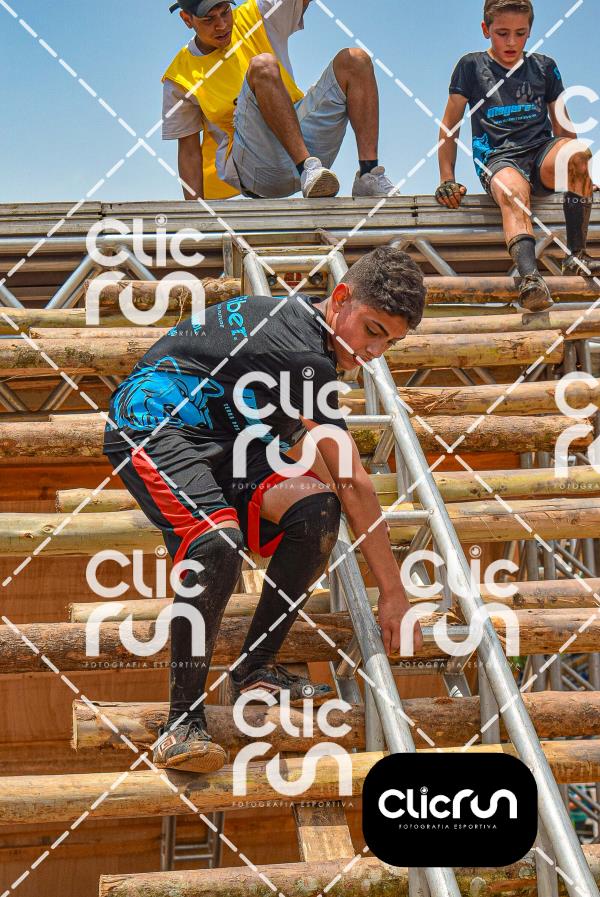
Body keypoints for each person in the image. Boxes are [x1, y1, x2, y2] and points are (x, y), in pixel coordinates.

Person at [102, 247, 426, 773]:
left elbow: (317, 465)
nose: (375, 351)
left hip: (229, 445)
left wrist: (318, 504)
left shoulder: (307, 340)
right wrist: (393, 593)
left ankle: (254, 668)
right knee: (217, 542)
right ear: (340, 297)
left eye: (390, 342)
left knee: (316, 512)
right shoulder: (304, 354)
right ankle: (180, 725)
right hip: (153, 423)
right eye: (372, 331)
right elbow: (353, 480)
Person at [435, 0, 599, 312]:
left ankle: (576, 257)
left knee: (579, 153)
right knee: (514, 191)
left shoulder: (545, 67)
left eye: (520, 33)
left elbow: (564, 128)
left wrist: (580, 176)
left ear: (530, 31)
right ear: (486, 30)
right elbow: (449, 126)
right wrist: (447, 179)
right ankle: (530, 280)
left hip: (540, 154)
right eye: (502, 33)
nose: (511, 42)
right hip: (499, 158)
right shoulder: (470, 66)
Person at [162, 0, 397, 200]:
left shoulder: (257, 15)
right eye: (209, 19)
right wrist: (195, 219)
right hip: (258, 170)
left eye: (225, 12)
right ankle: (306, 169)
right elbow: (189, 151)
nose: (222, 25)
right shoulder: (180, 76)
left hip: (307, 143)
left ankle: (368, 175)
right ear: (187, 19)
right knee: (262, 65)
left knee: (355, 60)